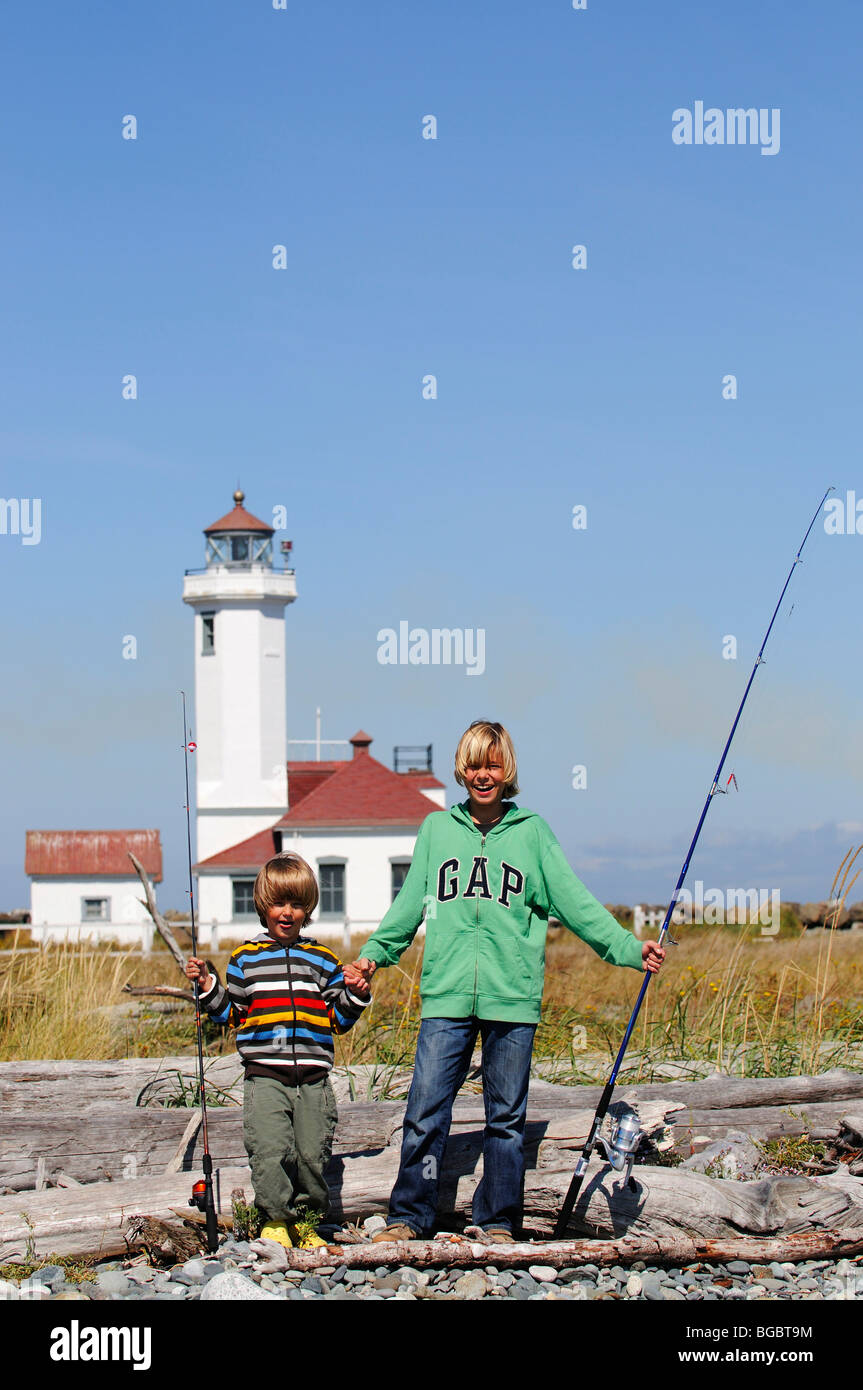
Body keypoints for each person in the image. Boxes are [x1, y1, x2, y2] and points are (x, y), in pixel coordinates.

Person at [344, 720, 665, 1243]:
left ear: (508, 770)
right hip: (446, 996)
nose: (482, 774)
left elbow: (576, 904)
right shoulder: (436, 830)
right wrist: (374, 956)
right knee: (424, 1112)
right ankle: (409, 1218)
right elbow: (407, 909)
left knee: (505, 1121)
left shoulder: (533, 833)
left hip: (512, 1000)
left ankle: (496, 1223)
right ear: (461, 769)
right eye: (473, 764)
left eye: (493, 764)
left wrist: (629, 949)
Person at [185, 852, 370, 1249]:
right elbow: (230, 1015)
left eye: (297, 904)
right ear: (262, 906)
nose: (287, 913)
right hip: (265, 1077)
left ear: (308, 909)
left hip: (315, 1080)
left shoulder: (323, 960)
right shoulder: (243, 960)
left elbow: (339, 1019)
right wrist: (205, 986)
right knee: (269, 1151)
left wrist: (356, 995)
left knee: (311, 1154)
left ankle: (306, 1224)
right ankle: (275, 1220)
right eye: (278, 903)